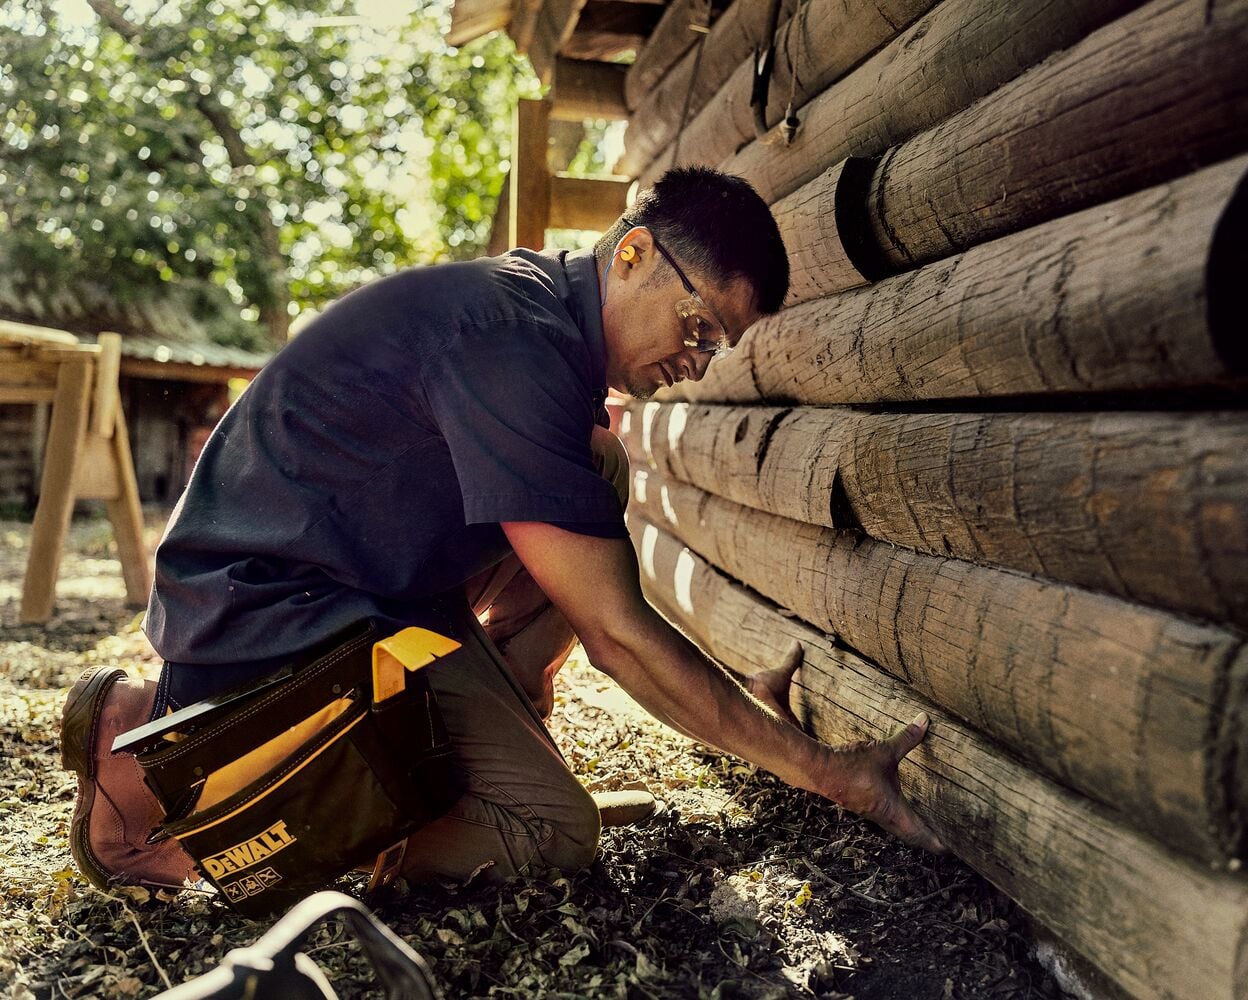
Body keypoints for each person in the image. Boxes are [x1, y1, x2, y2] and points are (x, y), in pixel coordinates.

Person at [61, 166, 944, 896]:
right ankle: (161, 781)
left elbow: (594, 582)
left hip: (347, 583)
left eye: (717, 347)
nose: (694, 362)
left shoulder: (538, 322)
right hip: (263, 625)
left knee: (597, 469)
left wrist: (726, 710)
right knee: (552, 834)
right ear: (632, 254)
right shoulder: (512, 346)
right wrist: (824, 771)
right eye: (697, 325)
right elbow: (616, 635)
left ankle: (496, 722)